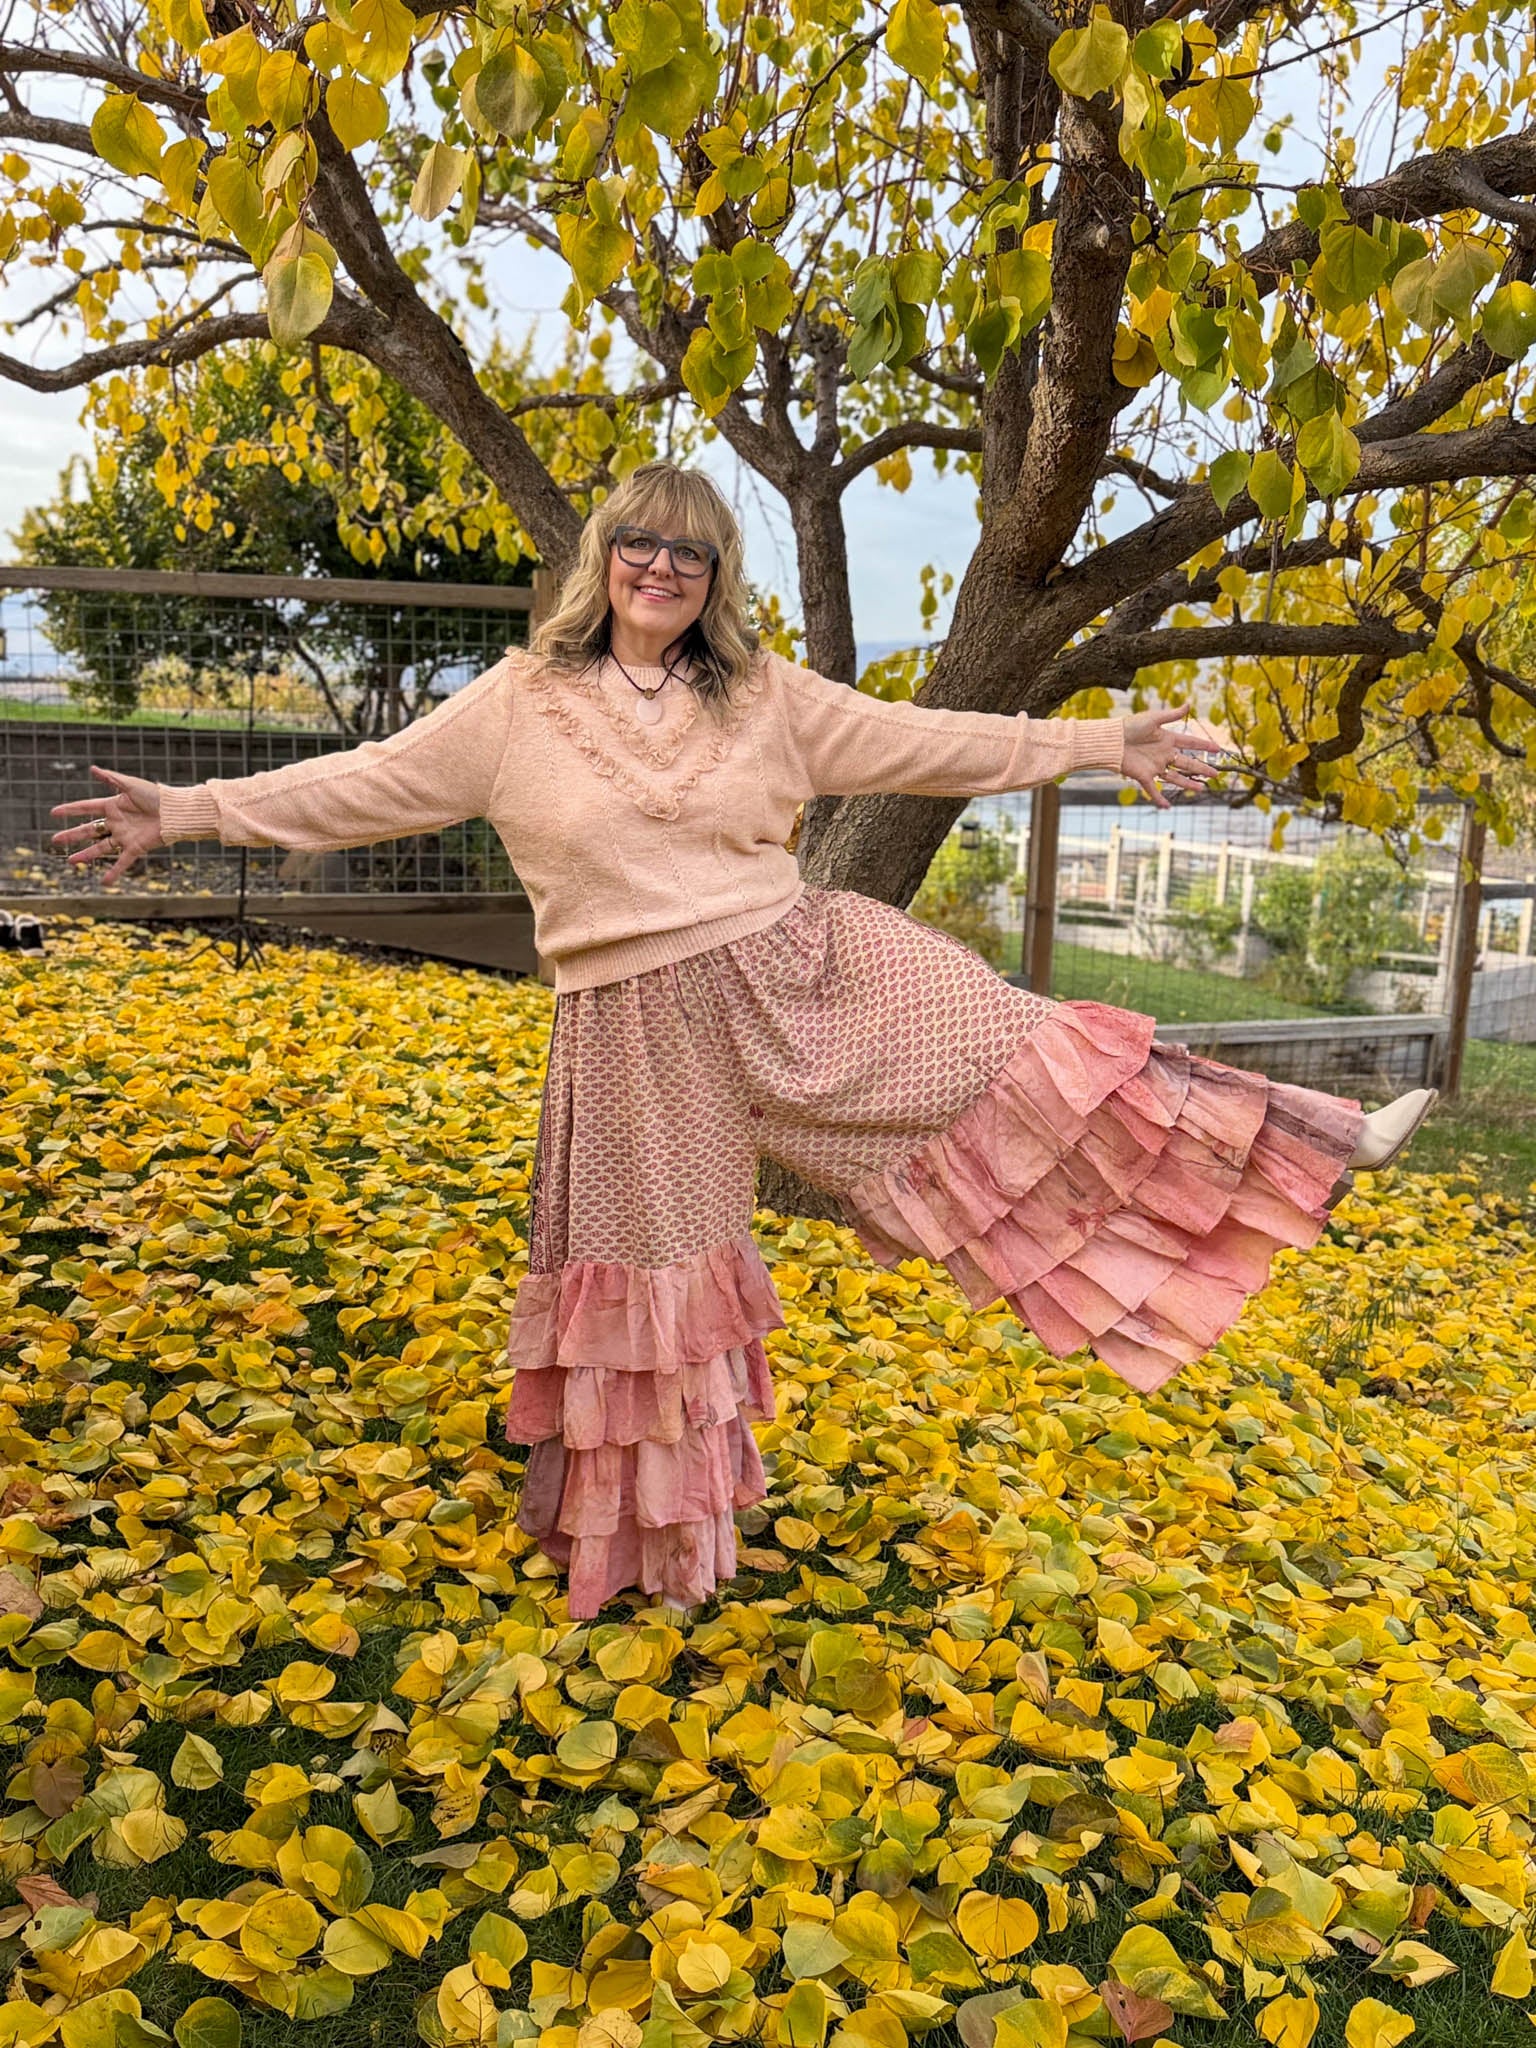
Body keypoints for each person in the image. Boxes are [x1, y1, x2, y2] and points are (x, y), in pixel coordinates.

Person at [50, 460, 1437, 1619]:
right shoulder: (517, 703)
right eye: (641, 544)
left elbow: (922, 740)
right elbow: (371, 783)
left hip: (800, 971)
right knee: (658, 1285)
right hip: (631, 1036)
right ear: (603, 560)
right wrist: (189, 814)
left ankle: (1307, 1144)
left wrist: (1097, 743)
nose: (662, 568)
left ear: (715, 579)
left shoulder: (764, 694)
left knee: (1024, 1051)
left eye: (692, 553)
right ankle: (652, 1553)